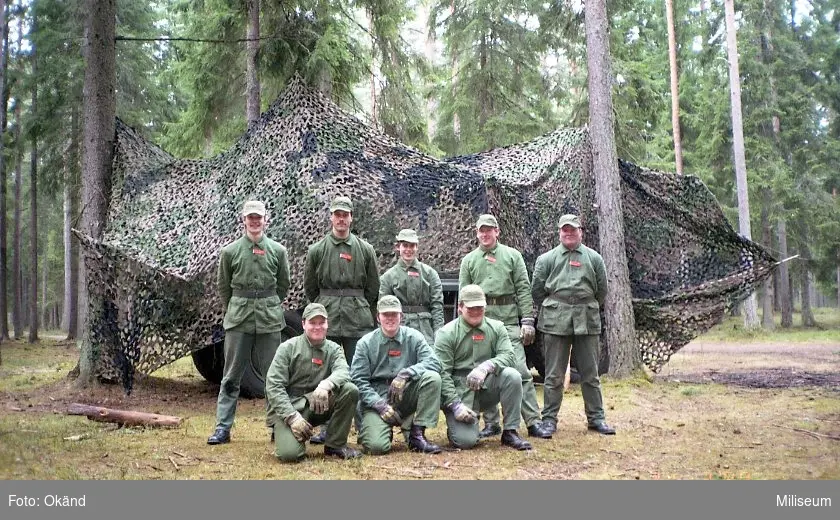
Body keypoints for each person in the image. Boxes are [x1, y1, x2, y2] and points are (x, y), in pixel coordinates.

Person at [458, 214, 551, 440]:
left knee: (520, 371)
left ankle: (533, 421)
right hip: (481, 322)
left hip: (509, 321)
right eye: (481, 230)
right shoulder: (469, 261)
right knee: (482, 371)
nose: (485, 234)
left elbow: (523, 288)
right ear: (476, 233)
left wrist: (527, 320)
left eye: (489, 230)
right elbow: (463, 295)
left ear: (497, 232)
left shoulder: (512, 256)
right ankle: (491, 423)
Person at [208, 200, 291, 445]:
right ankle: (223, 428)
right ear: (243, 220)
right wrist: (238, 307)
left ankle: (278, 425)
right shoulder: (230, 252)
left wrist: (268, 304)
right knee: (231, 376)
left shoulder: (278, 251)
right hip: (239, 319)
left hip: (268, 318)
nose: (254, 222)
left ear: (266, 220)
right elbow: (224, 288)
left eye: (258, 218)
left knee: (274, 377)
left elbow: (283, 286)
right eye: (250, 218)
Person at [304, 195, 380, 444]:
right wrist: (325, 307)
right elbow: (310, 289)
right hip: (326, 318)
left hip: (356, 318)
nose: (341, 219)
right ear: (331, 218)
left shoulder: (365, 250)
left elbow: (373, 289)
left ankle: (362, 425)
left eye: (345, 215)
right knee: (325, 373)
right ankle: (327, 426)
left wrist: (357, 306)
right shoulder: (316, 250)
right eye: (337, 214)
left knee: (358, 372)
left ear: (351, 218)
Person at [532, 214, 615, 435]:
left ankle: (596, 418)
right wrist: (558, 307)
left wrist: (582, 306)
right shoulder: (546, 259)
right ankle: (549, 420)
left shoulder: (594, 258)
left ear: (581, 232)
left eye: (573, 230)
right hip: (555, 320)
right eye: (564, 230)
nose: (569, 233)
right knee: (553, 374)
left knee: (590, 372)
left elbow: (601, 291)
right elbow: (537, 291)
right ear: (559, 232)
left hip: (586, 319)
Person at [434, 285, 533, 451]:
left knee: (512, 375)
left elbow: (509, 356)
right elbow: (442, 373)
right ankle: (457, 425)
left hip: (486, 387)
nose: (475, 311)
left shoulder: (497, 327)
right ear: (460, 307)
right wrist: (455, 404)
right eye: (471, 308)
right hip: (459, 392)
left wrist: (487, 366)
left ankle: (510, 431)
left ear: (485, 307)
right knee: (465, 442)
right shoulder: (446, 333)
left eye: (479, 307)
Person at [265, 303, 362, 461]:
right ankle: (288, 433)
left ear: (327, 324)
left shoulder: (334, 349)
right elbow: (274, 386)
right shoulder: (287, 348)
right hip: (291, 407)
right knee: (290, 455)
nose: (317, 327)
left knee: (350, 390)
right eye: (312, 323)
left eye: (321, 323)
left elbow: (343, 371)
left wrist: (326, 384)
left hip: (319, 405)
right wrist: (292, 417)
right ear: (303, 324)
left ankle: (335, 445)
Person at [351, 295, 443, 455]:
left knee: (432, 378)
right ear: (378, 317)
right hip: (377, 398)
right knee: (376, 448)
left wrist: (407, 374)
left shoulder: (414, 337)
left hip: (406, 395)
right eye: (386, 314)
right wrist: (378, 404)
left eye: (394, 314)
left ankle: (416, 432)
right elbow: (358, 380)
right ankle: (378, 428)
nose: (390, 318)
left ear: (401, 316)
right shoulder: (365, 343)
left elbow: (435, 363)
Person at [379, 228, 445, 345]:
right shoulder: (388, 277)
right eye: (405, 245)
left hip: (425, 330)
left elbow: (437, 305)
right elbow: (383, 309)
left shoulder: (430, 274)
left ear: (417, 247)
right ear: (398, 247)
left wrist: (438, 332)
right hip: (399, 329)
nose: (408, 250)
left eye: (412, 246)